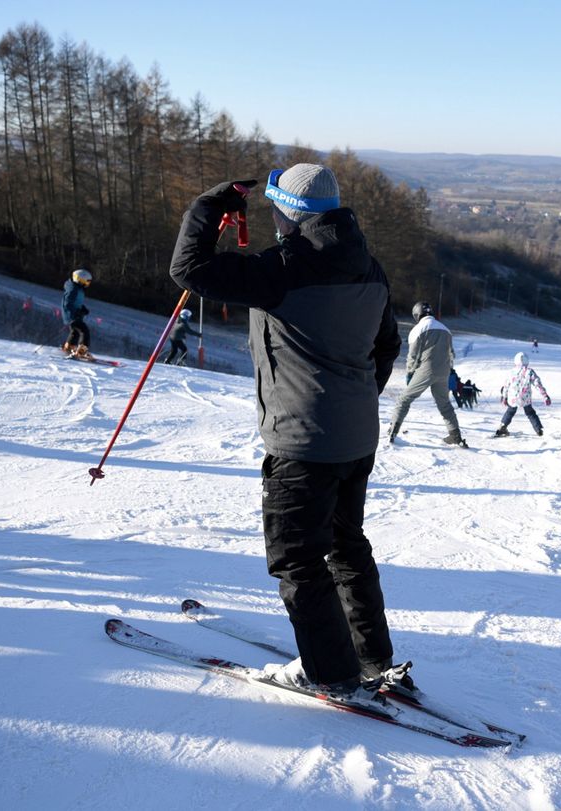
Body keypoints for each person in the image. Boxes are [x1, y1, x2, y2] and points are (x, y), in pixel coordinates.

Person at [167, 163, 405, 705]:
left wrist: (209, 206)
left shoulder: (283, 267)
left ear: (286, 213)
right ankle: (371, 656)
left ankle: (330, 670)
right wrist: (357, 398)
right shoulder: (370, 266)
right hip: (355, 439)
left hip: (302, 440)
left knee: (298, 557)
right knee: (346, 544)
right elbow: (387, 345)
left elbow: (190, 269)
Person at [388, 302, 467, 447]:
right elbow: (451, 354)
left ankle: (392, 432)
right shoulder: (446, 329)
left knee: (404, 399)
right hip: (444, 371)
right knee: (444, 403)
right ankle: (456, 436)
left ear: (417, 315)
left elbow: (413, 356)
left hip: (426, 369)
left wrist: (410, 373)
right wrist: (450, 371)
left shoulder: (418, 329)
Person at [494, 352, 551, 437]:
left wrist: (504, 397)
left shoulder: (511, 372)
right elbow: (537, 384)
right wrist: (545, 396)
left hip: (513, 397)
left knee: (510, 411)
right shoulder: (529, 372)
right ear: (527, 361)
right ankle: (539, 429)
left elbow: (506, 386)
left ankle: (503, 426)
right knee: (530, 413)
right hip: (525, 397)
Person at [61, 269, 93, 358]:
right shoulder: (73, 289)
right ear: (80, 280)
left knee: (75, 332)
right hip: (71, 316)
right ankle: (82, 351)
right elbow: (67, 303)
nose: (87, 284)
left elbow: (76, 302)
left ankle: (69, 347)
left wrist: (82, 309)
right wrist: (74, 313)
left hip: (74, 315)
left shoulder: (78, 288)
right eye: (86, 282)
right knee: (84, 330)